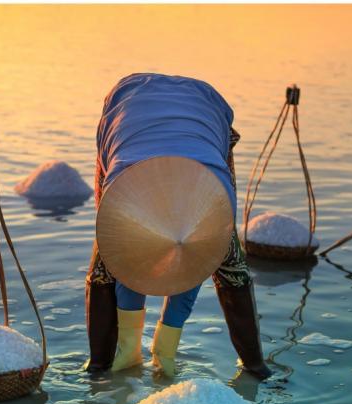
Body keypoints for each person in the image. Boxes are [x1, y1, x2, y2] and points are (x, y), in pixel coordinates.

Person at [85, 72, 271, 379]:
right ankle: (255, 368)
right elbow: (112, 223)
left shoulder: (215, 206)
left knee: (200, 249)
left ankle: (104, 367)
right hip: (132, 126)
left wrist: (165, 338)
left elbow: (199, 252)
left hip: (197, 137)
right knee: (117, 251)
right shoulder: (119, 123)